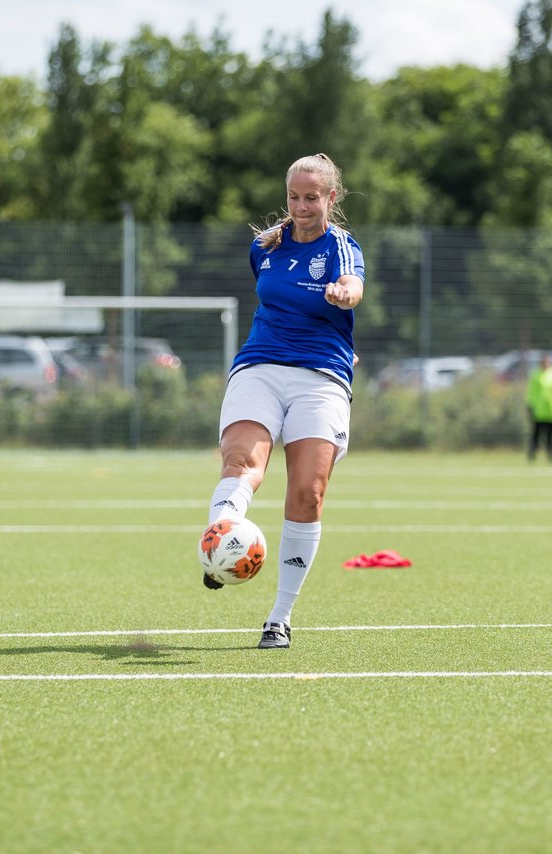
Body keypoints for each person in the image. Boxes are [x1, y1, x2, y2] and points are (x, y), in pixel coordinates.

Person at [201, 153, 364, 649]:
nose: (301, 206)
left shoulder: (343, 246)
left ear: (330, 198)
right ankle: (220, 541)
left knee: (308, 493)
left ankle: (280, 616)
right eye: (293, 196)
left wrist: (343, 294)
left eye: (311, 197)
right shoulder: (264, 247)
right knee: (242, 462)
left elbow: (355, 286)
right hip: (261, 366)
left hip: (321, 375)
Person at [526, 355, 552, 462]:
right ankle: (532, 455)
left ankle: (551, 456)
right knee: (536, 434)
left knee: (551, 434)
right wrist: (530, 405)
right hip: (539, 410)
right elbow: (531, 392)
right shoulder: (536, 374)